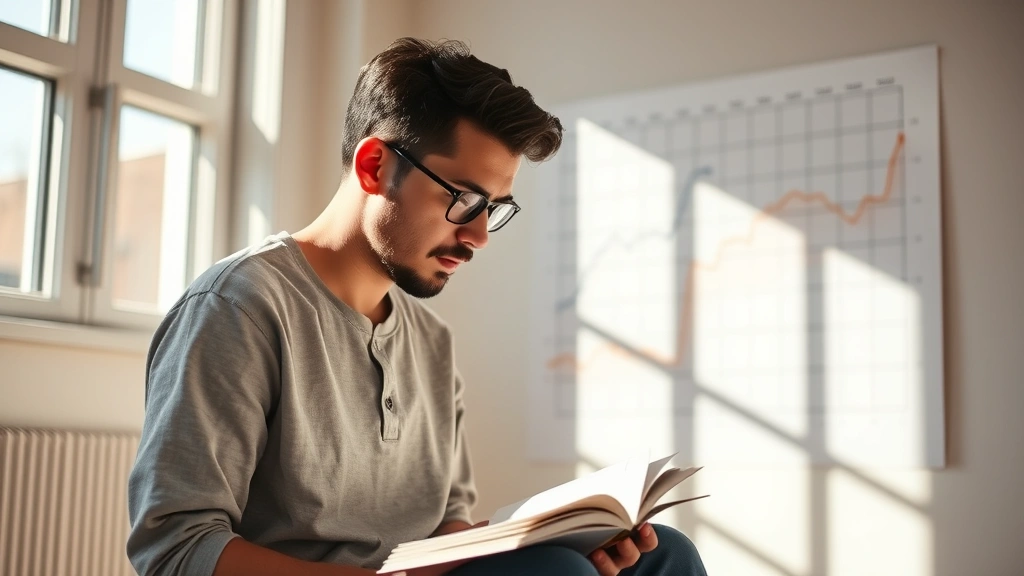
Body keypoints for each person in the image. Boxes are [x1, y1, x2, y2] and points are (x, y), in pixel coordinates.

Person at [126, 38, 707, 576]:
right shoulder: (240, 308)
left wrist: (559, 536)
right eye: (464, 199)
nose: (479, 235)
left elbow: (447, 523)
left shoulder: (430, 341)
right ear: (375, 166)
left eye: (495, 207)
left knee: (663, 555)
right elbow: (176, 548)